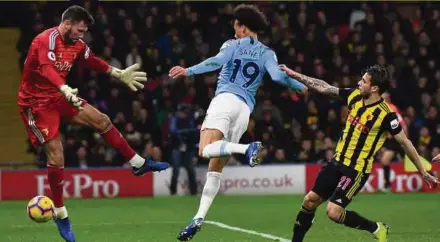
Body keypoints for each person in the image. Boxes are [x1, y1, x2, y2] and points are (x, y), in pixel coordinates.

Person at [17, 6, 169, 242]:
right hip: (35, 104)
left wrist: (117, 74)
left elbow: (92, 60)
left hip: (59, 96)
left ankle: (138, 163)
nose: (82, 35)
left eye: (84, 32)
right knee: (57, 155)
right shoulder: (46, 40)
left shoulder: (76, 44)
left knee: (102, 120)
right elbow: (47, 68)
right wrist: (64, 87)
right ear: (67, 23)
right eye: (79, 30)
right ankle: (60, 213)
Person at [168, 4, 306, 241]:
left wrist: (188, 71)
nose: (234, 31)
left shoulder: (231, 45)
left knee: (204, 150)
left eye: (235, 27)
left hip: (225, 100)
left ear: (243, 28)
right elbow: (276, 76)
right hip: (245, 110)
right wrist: (297, 85)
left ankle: (246, 148)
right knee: (216, 168)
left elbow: (215, 61)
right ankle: (198, 217)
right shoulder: (267, 53)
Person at [280, 64, 439, 242]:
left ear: (374, 88)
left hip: (355, 170)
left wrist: (423, 171)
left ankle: (376, 228)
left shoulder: (386, 115)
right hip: (336, 162)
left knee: (333, 212)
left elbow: (405, 143)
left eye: (363, 81)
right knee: (309, 201)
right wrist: (295, 74)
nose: (358, 83)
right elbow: (324, 87)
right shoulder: (354, 96)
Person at [379, 92, 407, 192]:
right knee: (385, 160)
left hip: (398, 139)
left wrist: (405, 139)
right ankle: (387, 185)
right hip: (391, 141)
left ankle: (430, 173)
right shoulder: (381, 109)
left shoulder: (392, 108)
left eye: (383, 98)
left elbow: (401, 123)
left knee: (412, 160)